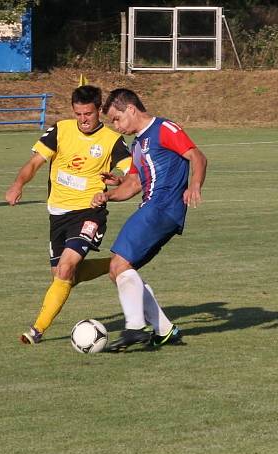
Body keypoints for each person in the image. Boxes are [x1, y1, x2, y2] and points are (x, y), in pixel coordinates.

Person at [6, 85, 132, 345]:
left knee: (65, 269)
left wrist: (118, 181)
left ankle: (36, 330)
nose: (83, 119)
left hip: (89, 212)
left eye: (88, 113)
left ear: (100, 110)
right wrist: (18, 184)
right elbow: (34, 163)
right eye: (78, 114)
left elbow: (134, 175)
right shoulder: (60, 130)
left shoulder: (112, 140)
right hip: (58, 214)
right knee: (64, 276)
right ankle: (116, 265)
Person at [91, 88, 208, 351]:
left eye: (117, 119)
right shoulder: (138, 144)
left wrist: (195, 185)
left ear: (131, 109)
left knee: (119, 265)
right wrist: (108, 195)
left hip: (161, 207)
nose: (116, 126)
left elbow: (197, 156)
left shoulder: (164, 128)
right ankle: (164, 330)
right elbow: (132, 184)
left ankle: (135, 328)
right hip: (154, 209)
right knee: (120, 270)